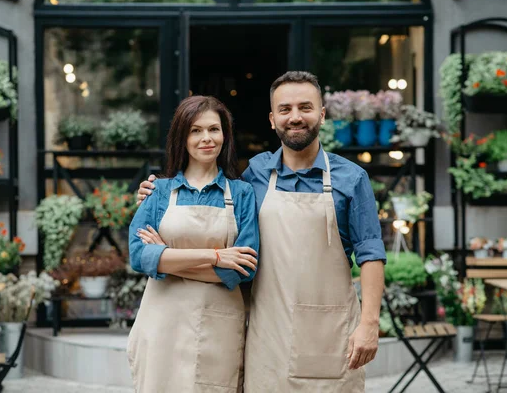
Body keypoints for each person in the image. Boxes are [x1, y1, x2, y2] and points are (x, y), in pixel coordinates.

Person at [136, 71, 385, 392]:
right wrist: (155, 193)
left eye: (305, 107)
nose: (295, 117)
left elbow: (371, 253)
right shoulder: (255, 173)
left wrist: (369, 324)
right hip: (264, 337)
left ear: (322, 114)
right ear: (272, 119)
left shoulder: (351, 178)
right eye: (285, 109)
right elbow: (205, 198)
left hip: (329, 335)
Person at [127, 95, 259, 393]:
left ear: (225, 135)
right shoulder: (158, 191)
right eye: (195, 130)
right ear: (182, 138)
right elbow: (138, 256)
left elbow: (243, 270)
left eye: (214, 129)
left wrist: (168, 258)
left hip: (217, 325)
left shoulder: (241, 194)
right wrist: (215, 257)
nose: (206, 138)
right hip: (163, 324)